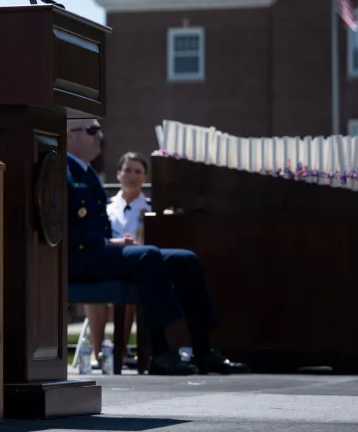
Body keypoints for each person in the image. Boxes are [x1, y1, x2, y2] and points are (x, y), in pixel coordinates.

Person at [64, 118, 248, 375]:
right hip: (78, 258)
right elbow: (62, 229)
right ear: (70, 136)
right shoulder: (63, 172)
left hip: (99, 252)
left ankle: (204, 349)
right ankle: (162, 352)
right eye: (92, 131)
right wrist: (108, 242)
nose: (100, 136)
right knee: (146, 256)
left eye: (100, 130)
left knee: (185, 260)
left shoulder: (86, 171)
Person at [86, 151, 150, 371]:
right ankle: (97, 350)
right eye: (127, 170)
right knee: (94, 288)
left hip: (135, 265)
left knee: (130, 289)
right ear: (118, 174)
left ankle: (120, 348)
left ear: (145, 178)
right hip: (107, 261)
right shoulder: (105, 208)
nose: (132, 176)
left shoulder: (150, 210)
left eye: (138, 172)